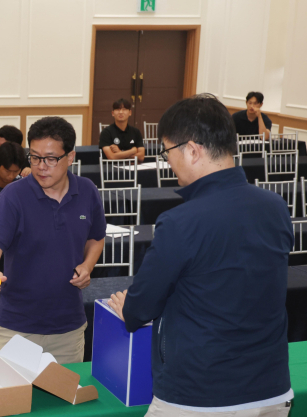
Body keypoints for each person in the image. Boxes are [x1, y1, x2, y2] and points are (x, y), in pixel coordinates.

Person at [107, 94, 293, 416]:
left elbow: (139, 310)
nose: (167, 161)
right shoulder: (276, 207)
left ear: (192, 150)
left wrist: (130, 308)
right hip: (270, 388)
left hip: (198, 394)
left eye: (167, 152)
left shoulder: (181, 222)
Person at [0, 116, 106, 364]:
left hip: (67, 329)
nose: (40, 166)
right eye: (34, 157)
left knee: (62, 400)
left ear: (70, 157)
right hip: (15, 325)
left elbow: (96, 237)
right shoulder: (13, 196)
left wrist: (87, 266)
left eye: (50, 159)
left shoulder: (88, 191)